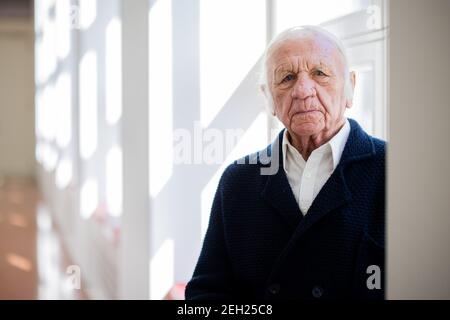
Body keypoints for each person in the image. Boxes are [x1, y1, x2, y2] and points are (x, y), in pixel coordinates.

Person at [186, 26, 385, 300]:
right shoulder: (238, 180)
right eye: (287, 77)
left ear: (350, 86)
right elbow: (205, 294)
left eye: (320, 73)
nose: (303, 91)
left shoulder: (395, 170)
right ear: (269, 98)